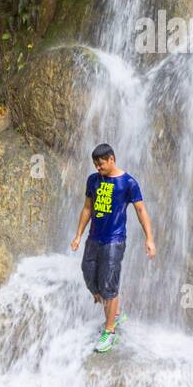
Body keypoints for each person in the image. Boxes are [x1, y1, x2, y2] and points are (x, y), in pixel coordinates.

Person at [70, 143, 155, 352]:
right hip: (94, 238)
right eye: (95, 165)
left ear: (111, 159)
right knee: (89, 275)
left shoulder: (128, 183)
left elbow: (141, 210)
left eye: (101, 164)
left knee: (109, 284)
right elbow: (87, 208)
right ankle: (114, 313)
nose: (98, 168)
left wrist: (149, 239)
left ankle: (110, 331)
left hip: (114, 241)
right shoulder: (93, 180)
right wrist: (78, 235)